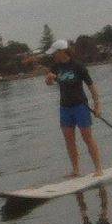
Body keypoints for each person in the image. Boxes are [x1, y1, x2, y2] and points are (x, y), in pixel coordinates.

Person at [45, 41, 104, 177]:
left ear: (61, 52)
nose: (53, 55)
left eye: (54, 53)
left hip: (80, 106)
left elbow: (91, 86)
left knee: (87, 137)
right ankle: (76, 170)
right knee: (69, 140)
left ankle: (98, 169)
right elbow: (49, 83)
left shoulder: (78, 66)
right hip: (65, 108)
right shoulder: (55, 67)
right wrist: (49, 79)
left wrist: (97, 106)